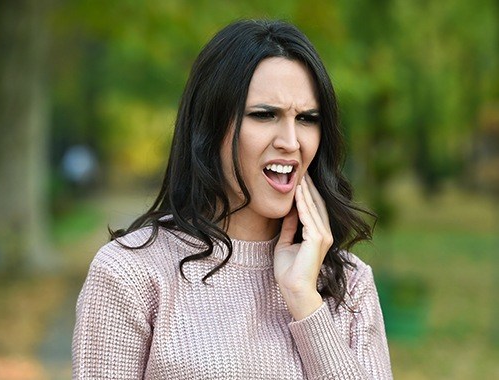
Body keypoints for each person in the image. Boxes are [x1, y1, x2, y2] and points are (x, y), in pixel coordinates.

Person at [72, 19, 393, 379]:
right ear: (209, 126)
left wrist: (304, 299)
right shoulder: (131, 275)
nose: (291, 141)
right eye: (264, 115)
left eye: (306, 118)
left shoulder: (349, 284)